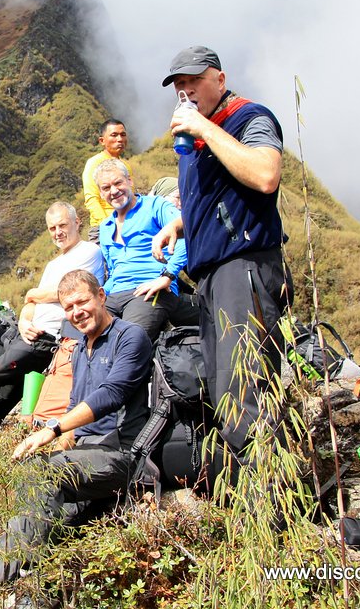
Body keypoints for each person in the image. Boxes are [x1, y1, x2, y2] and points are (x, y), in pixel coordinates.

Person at [0, 269, 153, 608]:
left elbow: (113, 393)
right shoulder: (82, 348)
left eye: (82, 301)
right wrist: (55, 444)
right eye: (68, 307)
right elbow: (74, 410)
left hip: (121, 455)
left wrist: (50, 431)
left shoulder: (130, 337)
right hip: (85, 462)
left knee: (43, 478)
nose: (76, 312)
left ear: (101, 296)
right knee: (39, 518)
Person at [152, 45, 292, 468]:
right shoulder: (196, 138)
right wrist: (180, 225)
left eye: (194, 82)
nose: (186, 92)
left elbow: (265, 176)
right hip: (210, 276)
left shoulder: (250, 118)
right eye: (179, 86)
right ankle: (249, 500)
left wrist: (206, 130)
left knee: (245, 389)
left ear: (221, 79)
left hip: (244, 267)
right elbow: (217, 199)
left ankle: (270, 506)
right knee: (220, 389)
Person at [0, 203, 104, 453]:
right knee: (5, 396)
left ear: (77, 223)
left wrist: (35, 293)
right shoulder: (54, 265)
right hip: (30, 334)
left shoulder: (89, 251)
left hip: (50, 339)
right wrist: (24, 320)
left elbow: (71, 292)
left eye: (63, 225)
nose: (58, 232)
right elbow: (31, 303)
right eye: (52, 228)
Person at [95, 158, 187, 340]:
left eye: (118, 183)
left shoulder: (155, 206)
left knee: (130, 340)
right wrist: (98, 296)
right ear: (100, 192)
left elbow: (186, 236)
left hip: (148, 289)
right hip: (115, 295)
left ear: (130, 181)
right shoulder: (105, 228)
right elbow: (114, 271)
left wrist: (168, 275)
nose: (114, 191)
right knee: (80, 335)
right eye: (106, 188)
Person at [81, 119, 128, 244]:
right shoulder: (94, 163)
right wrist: (109, 225)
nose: (120, 139)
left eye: (123, 135)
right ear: (102, 140)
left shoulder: (125, 166)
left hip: (126, 225)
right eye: (114, 135)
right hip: (102, 228)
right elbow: (91, 199)